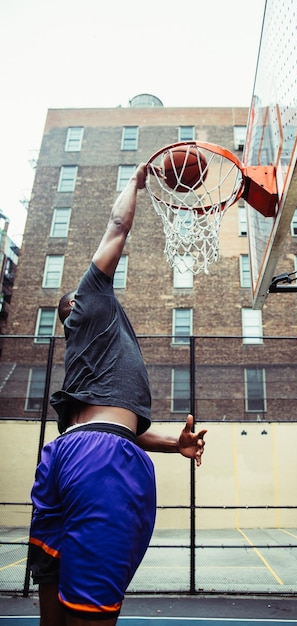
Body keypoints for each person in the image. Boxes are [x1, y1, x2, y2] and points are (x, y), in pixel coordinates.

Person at [28, 163, 207, 626]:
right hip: (101, 462)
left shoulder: (87, 360)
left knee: (54, 611)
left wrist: (173, 444)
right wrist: (137, 180)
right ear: (78, 306)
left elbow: (109, 426)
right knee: (92, 615)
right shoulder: (91, 300)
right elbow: (117, 226)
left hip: (68, 453)